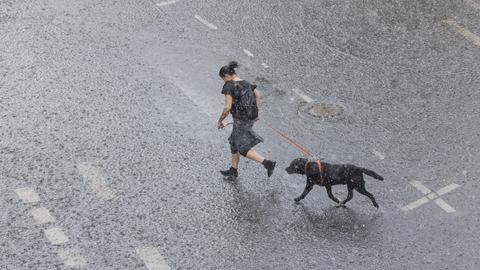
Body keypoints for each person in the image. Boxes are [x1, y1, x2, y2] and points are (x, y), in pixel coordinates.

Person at [217, 61, 276, 179]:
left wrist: (220, 120)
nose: (224, 81)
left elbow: (227, 107)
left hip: (241, 120)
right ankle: (233, 170)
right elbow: (258, 94)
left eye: (223, 79)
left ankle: (268, 163)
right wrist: (257, 112)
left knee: (242, 148)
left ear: (226, 76)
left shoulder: (229, 85)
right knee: (233, 142)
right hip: (249, 118)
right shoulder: (246, 83)